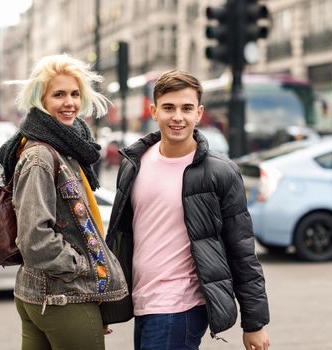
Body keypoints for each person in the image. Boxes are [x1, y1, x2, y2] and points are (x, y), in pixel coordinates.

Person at [103, 70, 270, 349]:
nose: (177, 117)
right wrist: (108, 303)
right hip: (143, 301)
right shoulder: (134, 163)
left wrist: (254, 323)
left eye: (186, 108)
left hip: (181, 304)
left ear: (199, 113)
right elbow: (120, 238)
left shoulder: (220, 172)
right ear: (154, 111)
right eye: (168, 108)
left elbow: (241, 249)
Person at [0, 54, 128, 350]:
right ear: (40, 100)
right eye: (58, 94)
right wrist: (83, 268)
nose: (69, 102)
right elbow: (35, 238)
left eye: (74, 93)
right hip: (63, 295)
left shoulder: (64, 147)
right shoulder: (41, 156)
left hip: (49, 294)